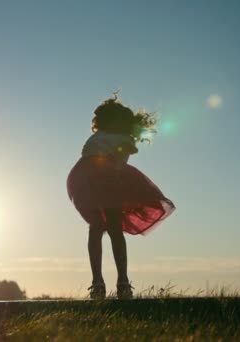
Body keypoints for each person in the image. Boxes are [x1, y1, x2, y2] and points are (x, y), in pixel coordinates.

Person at [66, 94, 176, 300]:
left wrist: (116, 166)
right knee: (96, 226)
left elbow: (123, 154)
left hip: (109, 179)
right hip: (88, 178)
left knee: (114, 228)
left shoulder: (122, 138)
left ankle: (123, 282)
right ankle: (97, 282)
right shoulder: (99, 136)